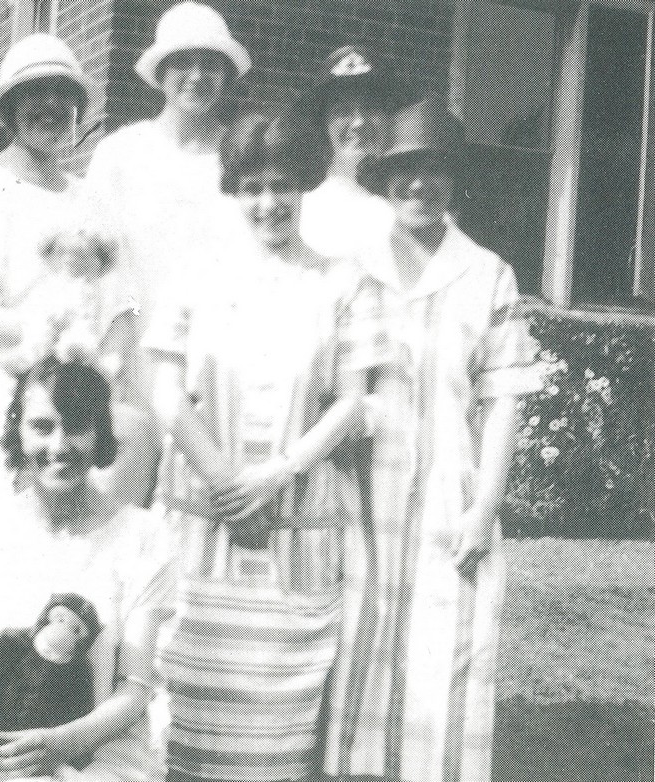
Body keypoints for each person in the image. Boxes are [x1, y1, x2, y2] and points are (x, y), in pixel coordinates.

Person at [0, 33, 140, 755]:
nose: (50, 106)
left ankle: (48, 747)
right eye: (33, 95)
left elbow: (124, 312)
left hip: (72, 415)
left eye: (63, 95)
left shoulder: (94, 200)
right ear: (7, 108)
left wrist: (94, 380)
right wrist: (45, 338)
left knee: (61, 579)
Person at [322, 96, 542, 782]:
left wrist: (484, 508)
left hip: (452, 496)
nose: (420, 184)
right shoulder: (351, 268)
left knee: (445, 661)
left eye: (436, 170)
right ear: (386, 180)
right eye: (406, 170)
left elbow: (504, 400)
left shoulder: (487, 275)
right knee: (361, 648)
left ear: (454, 180)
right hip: (361, 495)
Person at [143, 111, 363, 782]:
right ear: (234, 192)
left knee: (276, 742)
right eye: (253, 187)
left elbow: (352, 400)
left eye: (284, 185)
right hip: (200, 525)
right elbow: (166, 395)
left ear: (306, 187)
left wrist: (275, 474)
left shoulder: (343, 282)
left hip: (297, 532)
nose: (269, 202)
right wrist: (226, 483)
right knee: (179, 720)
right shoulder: (194, 275)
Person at [0, 356, 175, 782]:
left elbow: (134, 687)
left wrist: (65, 743)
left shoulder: (142, 538)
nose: (59, 446)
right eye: (42, 426)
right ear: (17, 430)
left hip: (98, 753)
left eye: (77, 426)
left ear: (101, 434)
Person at [84, 0, 252, 328]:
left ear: (225, 75)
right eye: (183, 63)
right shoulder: (120, 153)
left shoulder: (242, 157)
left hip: (217, 340)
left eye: (210, 65)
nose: (197, 76)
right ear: (161, 74)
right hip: (131, 336)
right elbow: (98, 261)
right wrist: (126, 328)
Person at [300, 45, 398, 260]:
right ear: (323, 123)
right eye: (343, 111)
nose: (359, 122)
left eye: (371, 107)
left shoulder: (409, 202)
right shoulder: (305, 207)